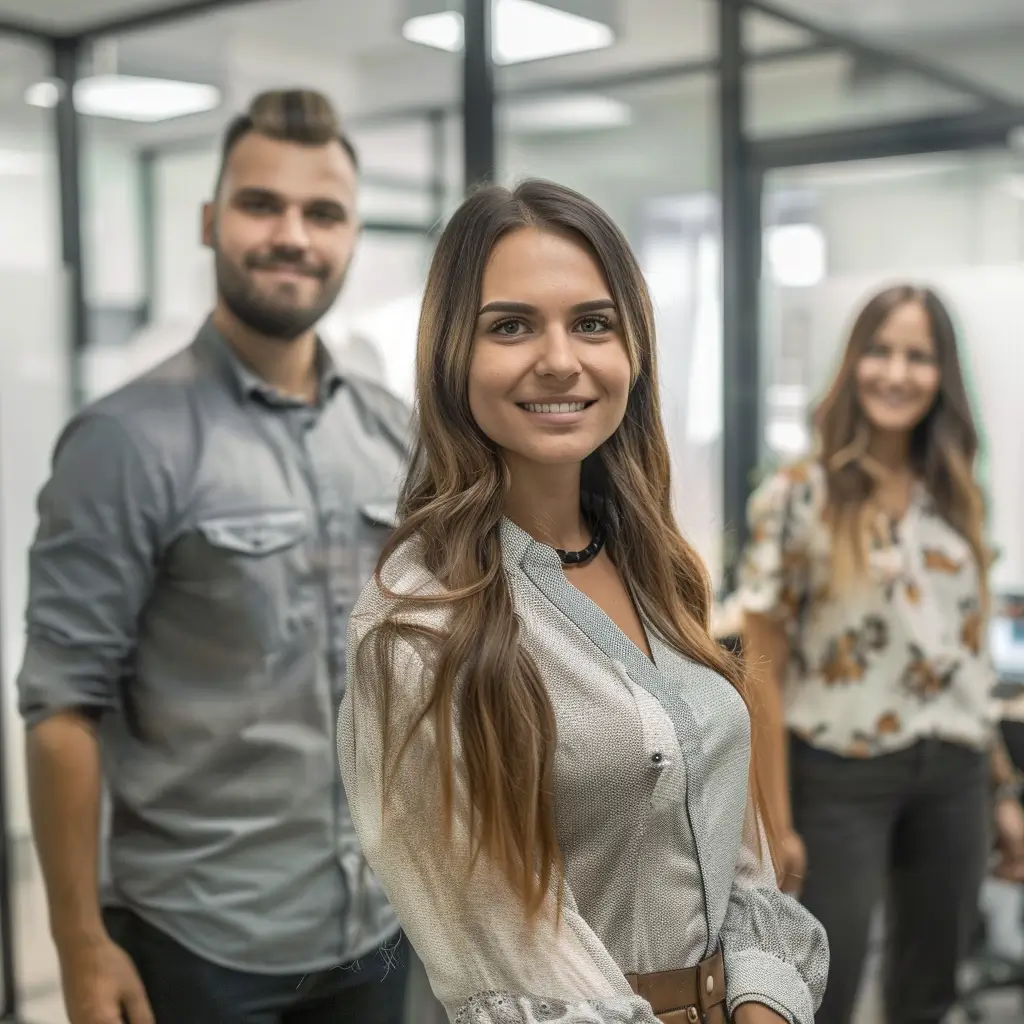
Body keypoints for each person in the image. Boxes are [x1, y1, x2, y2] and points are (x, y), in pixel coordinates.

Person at [338, 179, 828, 1024]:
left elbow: (733, 844)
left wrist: (761, 1003)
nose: (560, 358)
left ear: (631, 351)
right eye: (511, 325)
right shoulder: (417, 627)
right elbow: (503, 948)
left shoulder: (659, 569)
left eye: (592, 323)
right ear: (453, 355)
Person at [19, 90, 411, 1024]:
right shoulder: (125, 439)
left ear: (353, 233)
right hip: (198, 944)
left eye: (323, 213)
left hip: (379, 926)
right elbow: (62, 708)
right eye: (260, 204)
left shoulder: (395, 435)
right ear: (209, 221)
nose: (293, 236)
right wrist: (79, 942)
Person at [737, 284, 1024, 1024]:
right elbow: (759, 669)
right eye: (880, 350)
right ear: (853, 362)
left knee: (929, 993)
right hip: (839, 775)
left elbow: (960, 659)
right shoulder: (798, 495)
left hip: (954, 771)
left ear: (942, 376)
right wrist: (777, 819)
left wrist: (1002, 791)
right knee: (817, 992)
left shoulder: (956, 491)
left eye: (918, 357)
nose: (897, 373)